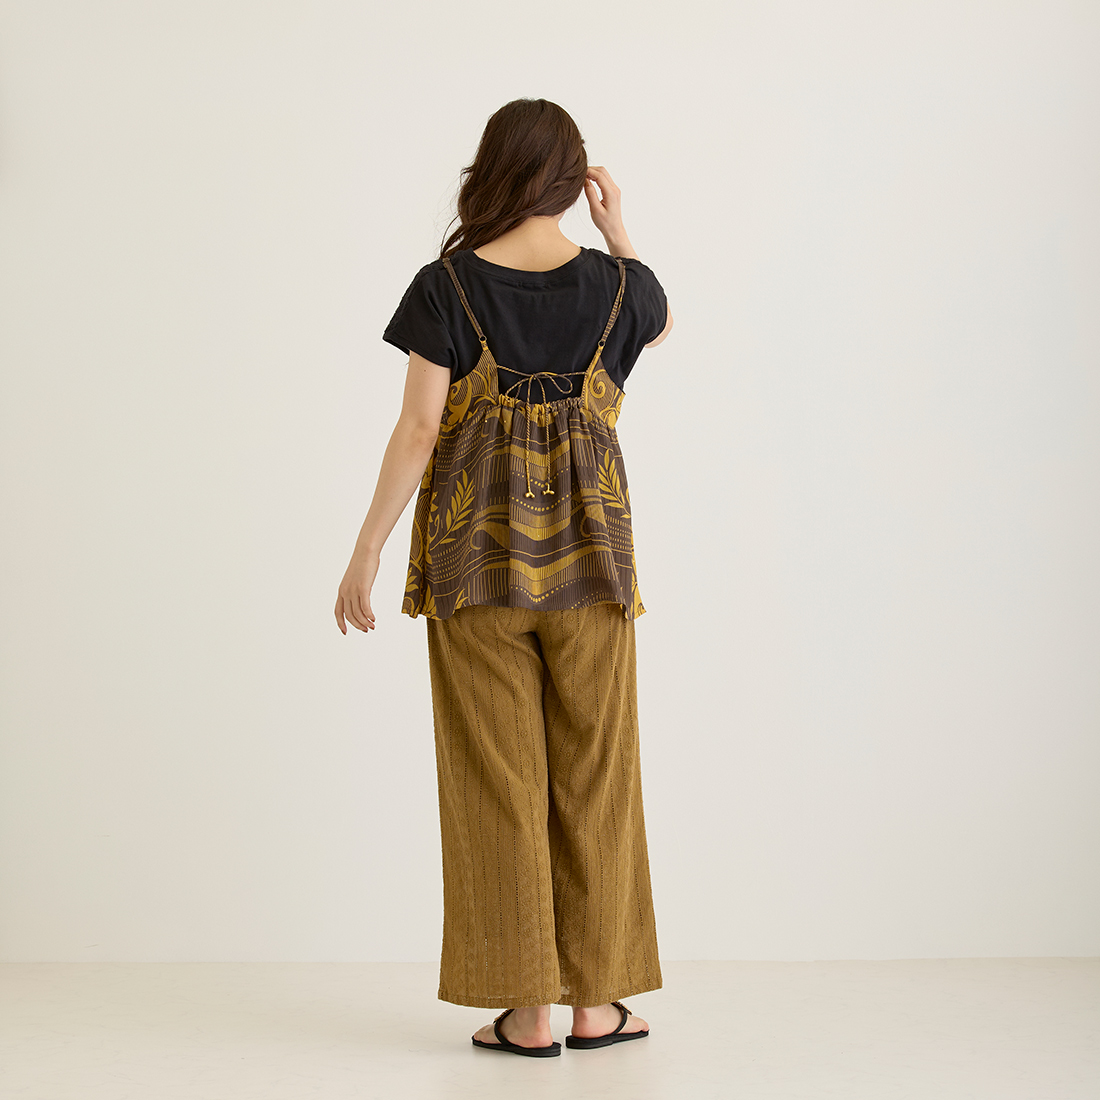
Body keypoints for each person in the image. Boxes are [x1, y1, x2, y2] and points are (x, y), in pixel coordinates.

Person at [334, 98, 673, 1057]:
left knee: (497, 783)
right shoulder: (618, 289)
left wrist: (367, 548)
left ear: (490, 171)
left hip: (474, 570)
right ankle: (597, 1005)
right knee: (598, 779)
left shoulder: (445, 287)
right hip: (593, 571)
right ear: (573, 179)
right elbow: (660, 321)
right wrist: (618, 230)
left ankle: (525, 1015)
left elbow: (418, 429)